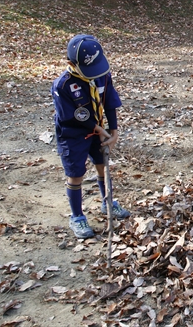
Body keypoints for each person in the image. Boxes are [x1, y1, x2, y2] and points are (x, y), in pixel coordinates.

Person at [52, 34, 130, 239]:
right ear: (71, 63)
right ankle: (77, 216)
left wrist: (113, 131)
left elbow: (110, 102)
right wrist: (97, 128)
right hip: (73, 134)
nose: (94, 74)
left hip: (99, 129)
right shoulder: (63, 86)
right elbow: (73, 116)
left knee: (102, 166)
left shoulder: (101, 74)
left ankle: (108, 202)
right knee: (76, 174)